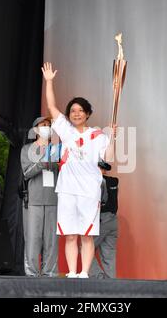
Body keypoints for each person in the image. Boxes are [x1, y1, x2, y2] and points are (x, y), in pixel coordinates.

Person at [41, 62, 116, 278]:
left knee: (87, 235)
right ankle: (72, 273)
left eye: (80, 110)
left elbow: (109, 159)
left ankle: (84, 273)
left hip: (89, 190)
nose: (76, 114)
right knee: (70, 235)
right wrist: (49, 82)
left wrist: (113, 139)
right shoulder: (65, 131)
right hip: (67, 189)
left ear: (88, 113)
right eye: (72, 111)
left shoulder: (98, 136)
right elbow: (52, 107)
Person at [20, 116, 60, 277]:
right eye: (43, 125)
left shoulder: (57, 148)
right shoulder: (27, 149)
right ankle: (32, 274)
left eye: (49, 125)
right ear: (36, 130)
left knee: (51, 240)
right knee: (33, 238)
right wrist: (43, 161)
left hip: (53, 199)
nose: (46, 127)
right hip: (34, 200)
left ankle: (50, 273)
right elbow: (27, 172)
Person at [90, 160, 118, 279]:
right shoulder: (114, 181)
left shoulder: (96, 181)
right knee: (109, 255)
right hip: (113, 221)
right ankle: (111, 284)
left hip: (101, 219)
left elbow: (99, 202)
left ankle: (99, 277)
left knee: (86, 249)